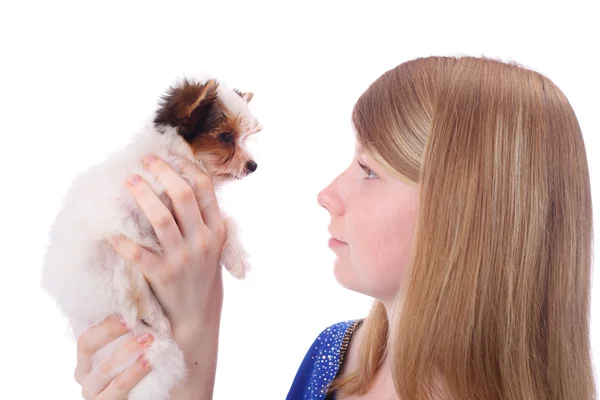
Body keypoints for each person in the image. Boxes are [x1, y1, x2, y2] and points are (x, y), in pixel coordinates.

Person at [72, 56, 596, 400]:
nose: (327, 194)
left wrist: (194, 352)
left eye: (369, 170)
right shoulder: (334, 360)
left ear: (468, 211)